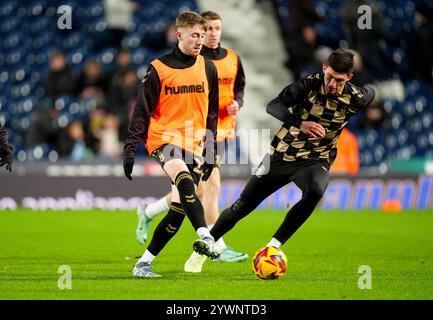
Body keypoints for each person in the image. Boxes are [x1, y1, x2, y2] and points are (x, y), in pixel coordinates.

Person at [193, 49, 375, 259]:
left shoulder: (355, 98)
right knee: (243, 206)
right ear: (324, 68)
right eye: (330, 76)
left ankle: (273, 246)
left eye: (339, 80)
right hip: (281, 155)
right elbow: (274, 106)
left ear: (349, 78)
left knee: (315, 191)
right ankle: (205, 245)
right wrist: (301, 123)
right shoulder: (307, 85)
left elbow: (371, 91)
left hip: (315, 159)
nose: (332, 83)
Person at [134, 11, 248, 272]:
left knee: (185, 199)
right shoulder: (188, 62)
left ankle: (149, 216)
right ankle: (214, 243)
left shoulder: (231, 59)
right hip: (186, 136)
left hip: (217, 132)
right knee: (208, 186)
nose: (211, 34)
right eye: (204, 30)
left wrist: (237, 104)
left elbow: (239, 88)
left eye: (216, 28)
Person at [123, 11, 220, 278]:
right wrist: (130, 148)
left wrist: (211, 151)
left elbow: (212, 113)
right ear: (179, 35)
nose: (200, 40)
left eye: (202, 35)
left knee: (177, 211)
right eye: (194, 35)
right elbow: (141, 111)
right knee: (183, 177)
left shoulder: (208, 67)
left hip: (195, 142)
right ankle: (205, 234)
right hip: (163, 138)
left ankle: (142, 264)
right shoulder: (159, 68)